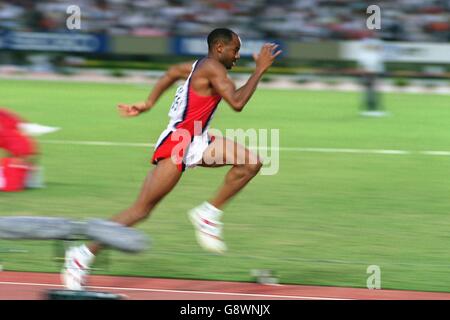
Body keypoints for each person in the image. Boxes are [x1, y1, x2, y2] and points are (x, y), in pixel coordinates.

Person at [62, 28, 282, 290]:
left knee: (251, 162)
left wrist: (148, 103)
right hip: (178, 143)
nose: (237, 56)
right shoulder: (213, 67)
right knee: (140, 210)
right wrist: (260, 70)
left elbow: (171, 73)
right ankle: (81, 255)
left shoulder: (197, 65)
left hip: (197, 140)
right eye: (235, 50)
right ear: (220, 48)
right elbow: (237, 102)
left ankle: (208, 214)